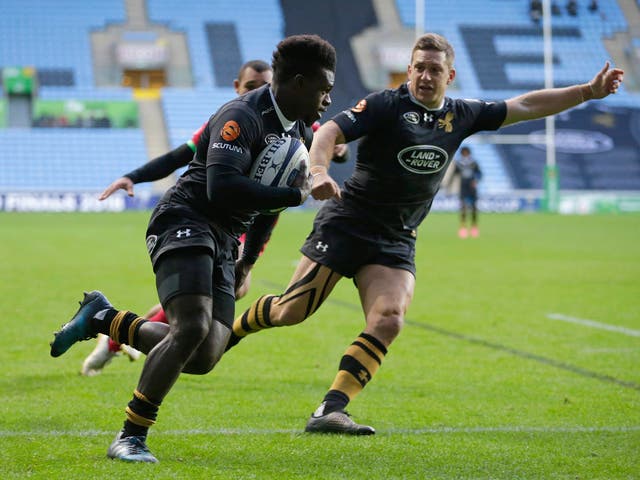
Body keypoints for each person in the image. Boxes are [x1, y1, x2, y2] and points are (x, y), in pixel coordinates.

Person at [226, 33, 623, 435]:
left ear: (450, 75)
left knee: (389, 319)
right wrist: (318, 172)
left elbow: (525, 104)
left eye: (434, 69)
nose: (425, 76)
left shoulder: (463, 114)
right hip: (347, 222)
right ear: (409, 70)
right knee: (290, 312)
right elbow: (328, 132)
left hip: (396, 237)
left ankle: (330, 409)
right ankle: (231, 329)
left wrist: (588, 91)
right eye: (418, 68)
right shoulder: (385, 104)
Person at [50, 34, 337, 462]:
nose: (328, 99)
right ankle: (130, 436)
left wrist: (248, 260)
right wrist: (297, 196)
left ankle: (103, 317)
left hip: (224, 240)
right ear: (297, 83)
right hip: (185, 219)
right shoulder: (241, 115)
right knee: (190, 327)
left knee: (205, 354)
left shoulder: (298, 129)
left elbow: (266, 208)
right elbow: (221, 188)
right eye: (324, 89)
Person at [80, 60, 274, 377]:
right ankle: (115, 335)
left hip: (247, 227)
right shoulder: (227, 122)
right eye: (251, 86)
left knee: (198, 306)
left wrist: (331, 153)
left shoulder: (288, 125)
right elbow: (179, 156)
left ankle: (113, 335)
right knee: (198, 309)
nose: (260, 92)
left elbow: (329, 141)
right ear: (236, 87)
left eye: (266, 86)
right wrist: (134, 176)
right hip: (210, 222)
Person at [451, 146, 482, 238]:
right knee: (463, 208)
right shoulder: (458, 163)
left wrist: (476, 180)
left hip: (472, 188)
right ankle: (463, 227)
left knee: (474, 208)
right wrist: (449, 186)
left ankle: (474, 227)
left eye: (466, 153)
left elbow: (480, 174)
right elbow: (454, 174)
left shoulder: (474, 163)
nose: (465, 154)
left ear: (469, 153)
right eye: (463, 153)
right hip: (463, 187)